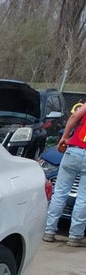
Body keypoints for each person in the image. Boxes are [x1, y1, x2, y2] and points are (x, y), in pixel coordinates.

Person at [44, 102, 86, 247]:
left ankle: (49, 231)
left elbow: (75, 115)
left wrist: (65, 136)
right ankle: (75, 237)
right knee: (84, 198)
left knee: (59, 193)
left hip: (73, 151)